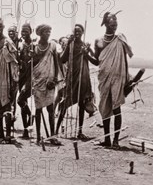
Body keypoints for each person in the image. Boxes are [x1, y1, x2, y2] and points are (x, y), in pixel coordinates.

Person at [94, 11, 133, 148]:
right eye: (111, 20)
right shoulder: (98, 41)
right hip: (104, 78)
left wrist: (127, 79)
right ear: (105, 23)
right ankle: (107, 139)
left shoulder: (120, 39)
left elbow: (126, 60)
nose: (114, 23)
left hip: (117, 78)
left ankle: (116, 140)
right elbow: (96, 61)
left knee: (116, 108)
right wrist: (86, 54)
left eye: (116, 21)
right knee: (105, 108)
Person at [56, 24, 98, 138]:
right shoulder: (71, 44)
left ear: (83, 32)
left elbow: (97, 60)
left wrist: (88, 52)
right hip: (72, 79)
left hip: (83, 80)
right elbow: (62, 59)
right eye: (75, 31)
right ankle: (55, 130)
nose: (77, 33)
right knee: (65, 104)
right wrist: (68, 44)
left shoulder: (85, 45)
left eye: (79, 31)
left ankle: (79, 132)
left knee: (82, 105)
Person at [32, 24, 61, 144]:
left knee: (50, 108)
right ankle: (38, 136)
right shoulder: (35, 47)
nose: (48, 34)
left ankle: (52, 136)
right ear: (40, 33)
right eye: (46, 32)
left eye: (49, 32)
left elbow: (56, 63)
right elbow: (32, 64)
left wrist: (54, 79)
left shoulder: (53, 45)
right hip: (38, 81)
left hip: (49, 81)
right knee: (38, 110)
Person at [16, 22, 36, 138]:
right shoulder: (20, 44)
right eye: (22, 31)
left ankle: (30, 114)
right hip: (21, 76)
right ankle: (25, 129)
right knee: (23, 102)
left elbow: (37, 61)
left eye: (26, 31)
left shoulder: (34, 45)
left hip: (30, 77)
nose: (24, 33)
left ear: (30, 32)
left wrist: (33, 56)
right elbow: (18, 60)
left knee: (20, 100)